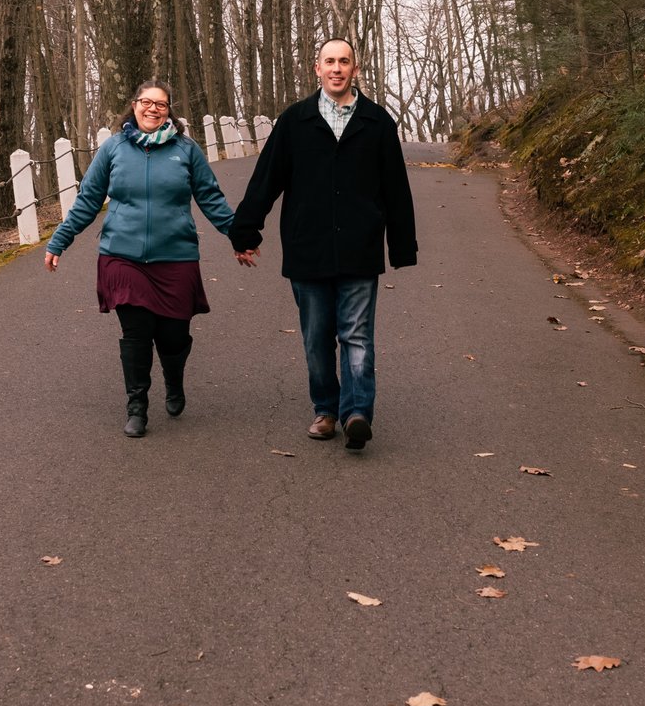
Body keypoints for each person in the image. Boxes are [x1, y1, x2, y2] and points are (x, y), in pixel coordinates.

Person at [227, 38, 418, 453]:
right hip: (307, 247)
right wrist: (245, 232)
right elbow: (266, 181)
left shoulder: (377, 122)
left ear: (355, 69)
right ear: (317, 69)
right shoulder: (295, 121)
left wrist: (402, 247)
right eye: (329, 61)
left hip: (359, 248)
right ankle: (326, 410)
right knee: (317, 337)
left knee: (357, 335)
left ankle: (357, 414)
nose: (336, 68)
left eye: (344, 61)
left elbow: (396, 190)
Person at [45, 80, 237, 438]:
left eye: (160, 104)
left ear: (169, 111)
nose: (152, 109)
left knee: (174, 336)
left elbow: (210, 198)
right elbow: (88, 199)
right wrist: (60, 240)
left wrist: (238, 237)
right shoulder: (114, 149)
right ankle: (137, 406)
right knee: (136, 333)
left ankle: (174, 379)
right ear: (133, 106)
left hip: (176, 255)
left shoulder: (186, 149)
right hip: (122, 255)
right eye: (145, 102)